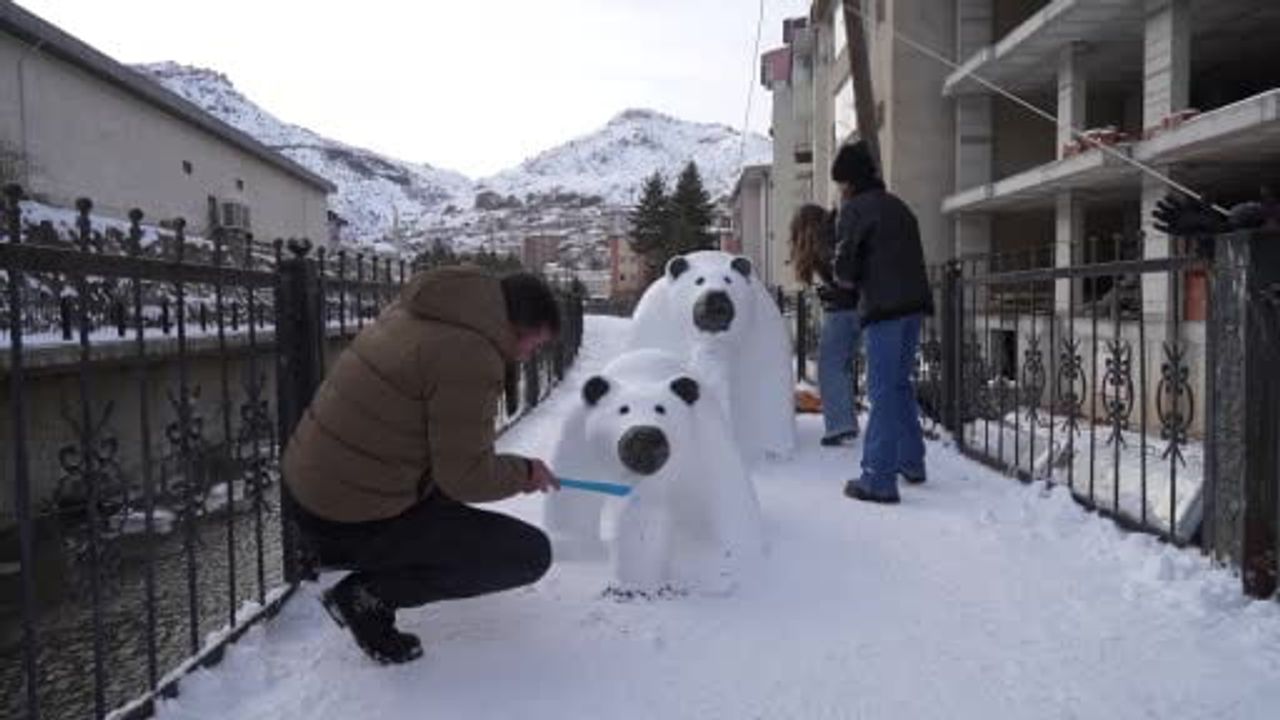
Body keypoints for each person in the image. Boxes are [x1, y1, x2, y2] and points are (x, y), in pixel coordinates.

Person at [283, 266, 562, 664]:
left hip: (312, 490)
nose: (530, 356)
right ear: (517, 327)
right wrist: (526, 472)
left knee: (453, 518)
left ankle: (362, 561)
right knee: (528, 554)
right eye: (535, 346)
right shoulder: (470, 353)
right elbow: (466, 478)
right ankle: (366, 598)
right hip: (344, 516)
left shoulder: (426, 311)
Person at [830, 141, 934, 505]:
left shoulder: (854, 210)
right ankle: (912, 461)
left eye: (841, 183)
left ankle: (877, 478)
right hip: (914, 304)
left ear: (850, 182)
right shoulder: (899, 207)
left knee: (882, 390)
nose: (840, 190)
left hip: (884, 309)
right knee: (899, 385)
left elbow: (845, 272)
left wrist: (840, 266)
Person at [789, 203, 862, 446]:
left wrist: (832, 292)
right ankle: (844, 423)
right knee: (845, 366)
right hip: (858, 305)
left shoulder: (824, 239)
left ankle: (841, 424)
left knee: (830, 365)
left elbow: (843, 277)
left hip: (847, 308)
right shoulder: (837, 229)